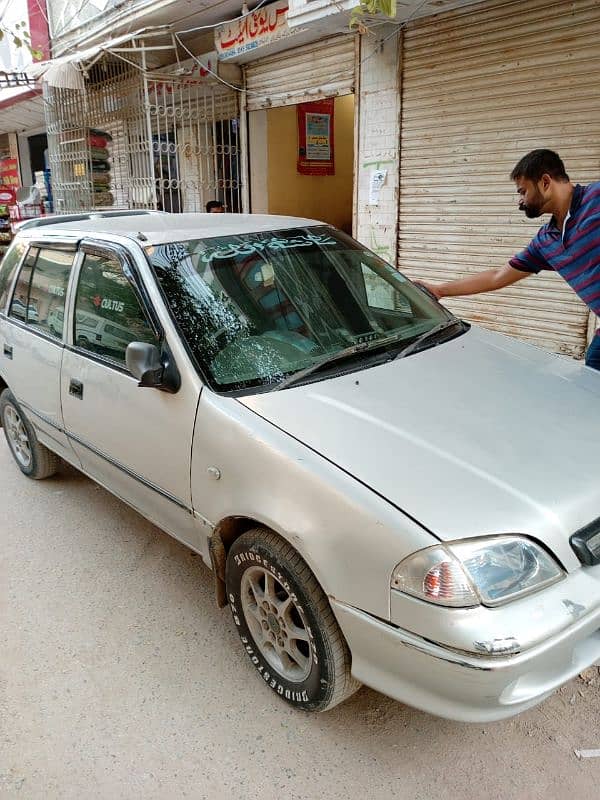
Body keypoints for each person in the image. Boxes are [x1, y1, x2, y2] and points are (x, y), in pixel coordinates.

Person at [419, 149, 600, 370]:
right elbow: (497, 276)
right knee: (591, 377)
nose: (520, 201)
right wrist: (440, 290)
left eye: (523, 191)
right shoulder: (546, 242)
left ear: (544, 182)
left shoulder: (596, 198)